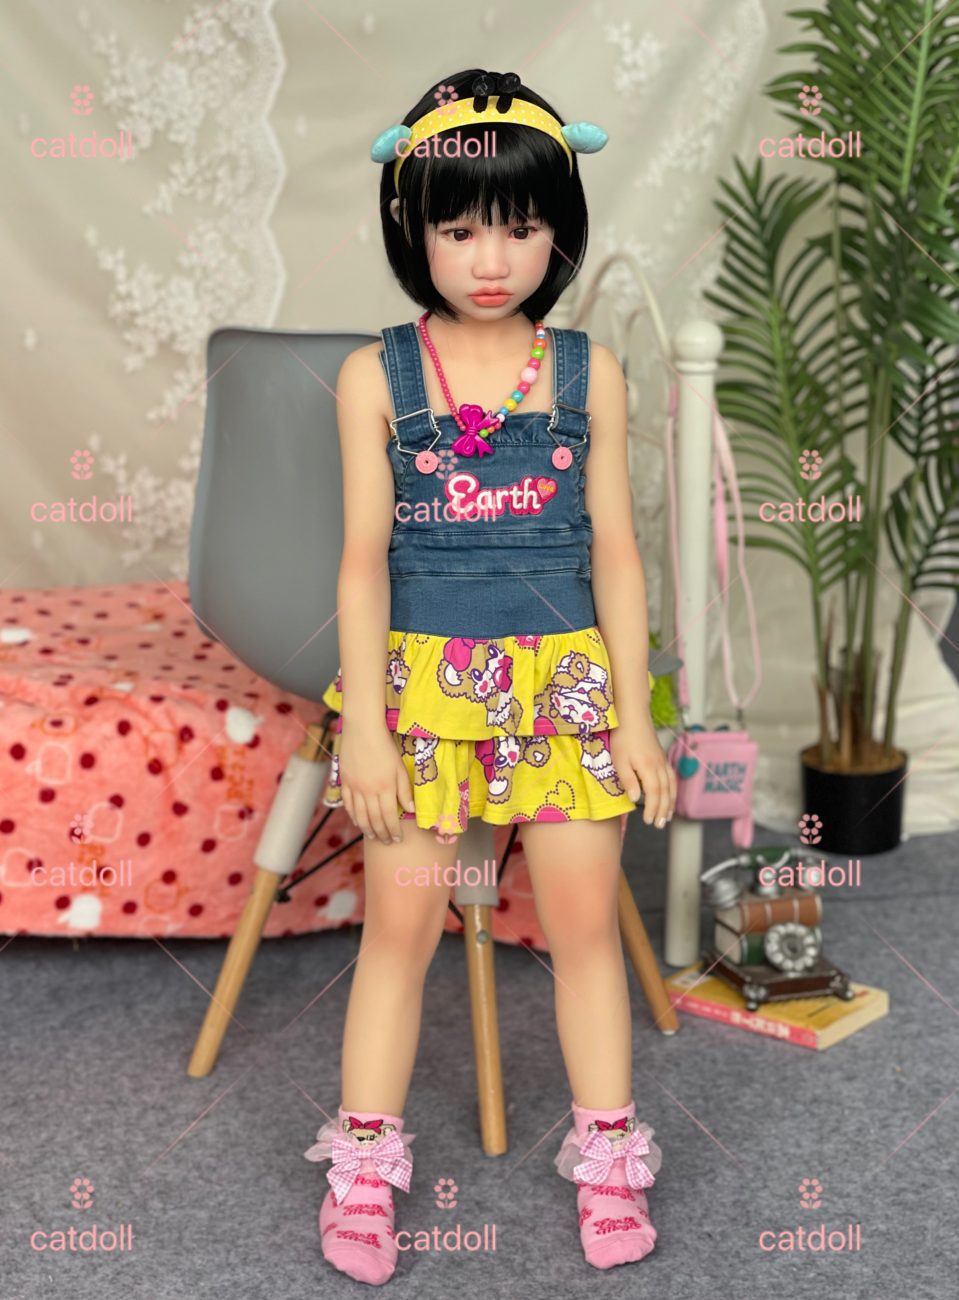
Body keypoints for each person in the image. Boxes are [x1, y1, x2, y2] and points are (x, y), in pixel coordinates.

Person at [303, 67, 676, 1286]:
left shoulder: (586, 375)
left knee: (581, 927)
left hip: (564, 693)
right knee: (399, 928)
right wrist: (366, 727)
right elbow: (362, 561)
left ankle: (608, 1158)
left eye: (517, 227)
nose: (488, 258)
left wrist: (632, 716)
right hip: (421, 697)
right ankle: (364, 1165)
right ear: (411, 229)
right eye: (458, 229)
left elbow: (614, 551)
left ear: (556, 229)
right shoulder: (375, 378)